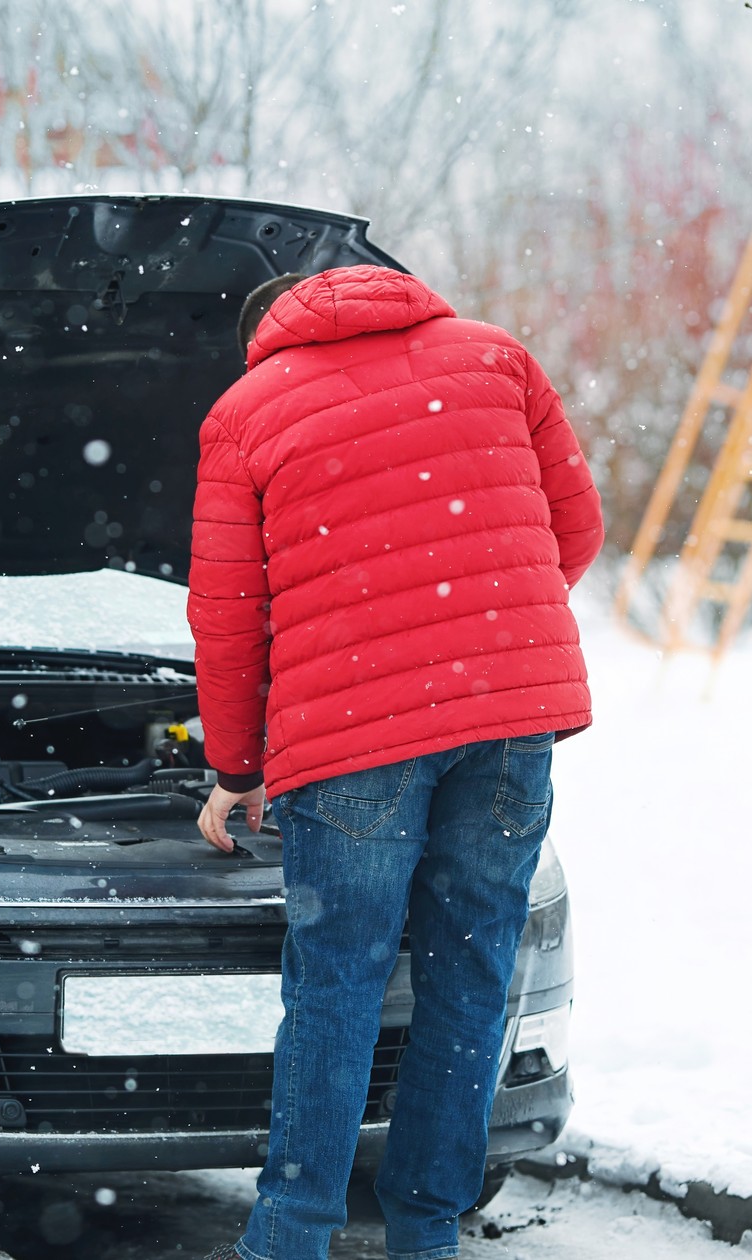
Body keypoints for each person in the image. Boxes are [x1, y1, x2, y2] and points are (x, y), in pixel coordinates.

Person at [189, 265, 602, 1260]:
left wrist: (236, 766)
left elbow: (229, 620)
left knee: (340, 982)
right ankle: (427, 1230)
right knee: (471, 971)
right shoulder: (495, 358)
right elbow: (573, 532)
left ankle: (292, 1235)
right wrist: (479, 635)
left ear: (270, 333)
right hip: (509, 722)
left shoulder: (247, 410)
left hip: (351, 741)